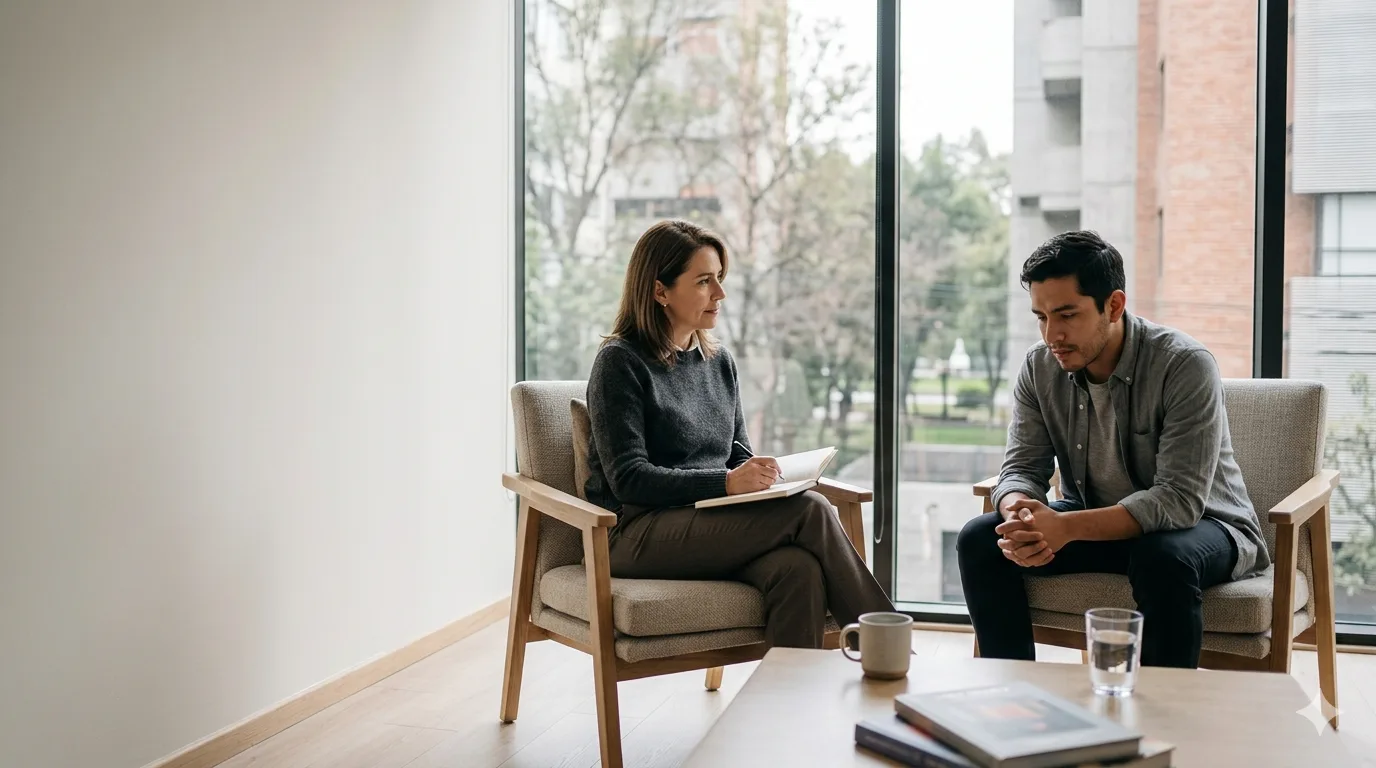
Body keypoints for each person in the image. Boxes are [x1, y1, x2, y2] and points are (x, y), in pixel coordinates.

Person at [957, 230, 1269, 669]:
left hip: (1205, 527)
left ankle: (1164, 716)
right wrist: (1019, 512)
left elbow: (1179, 501)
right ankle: (1013, 698)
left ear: (1114, 305)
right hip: (1097, 523)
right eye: (1041, 317)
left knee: (1161, 556)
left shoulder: (1184, 365)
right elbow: (1022, 467)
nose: (1052, 335)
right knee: (980, 539)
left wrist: (1065, 528)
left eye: (1067, 314)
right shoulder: (1039, 367)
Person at [584, 219, 894, 649]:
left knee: (797, 569)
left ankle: (782, 708)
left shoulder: (719, 362)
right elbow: (629, 478)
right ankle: (889, 651)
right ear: (660, 291)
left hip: (707, 522)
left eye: (720, 280)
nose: (720, 294)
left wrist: (764, 477)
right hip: (635, 533)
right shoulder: (620, 362)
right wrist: (727, 482)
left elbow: (736, 453)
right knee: (813, 511)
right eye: (705, 282)